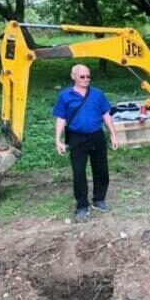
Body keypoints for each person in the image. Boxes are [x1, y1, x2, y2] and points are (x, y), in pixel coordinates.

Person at [53, 64, 118, 222]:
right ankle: (82, 206)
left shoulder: (97, 94)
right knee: (79, 172)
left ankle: (99, 200)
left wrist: (113, 135)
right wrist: (58, 140)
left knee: (101, 169)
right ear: (73, 76)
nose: (86, 79)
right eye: (82, 76)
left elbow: (106, 115)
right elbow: (61, 118)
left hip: (97, 136)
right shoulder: (65, 96)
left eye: (88, 76)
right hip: (77, 138)